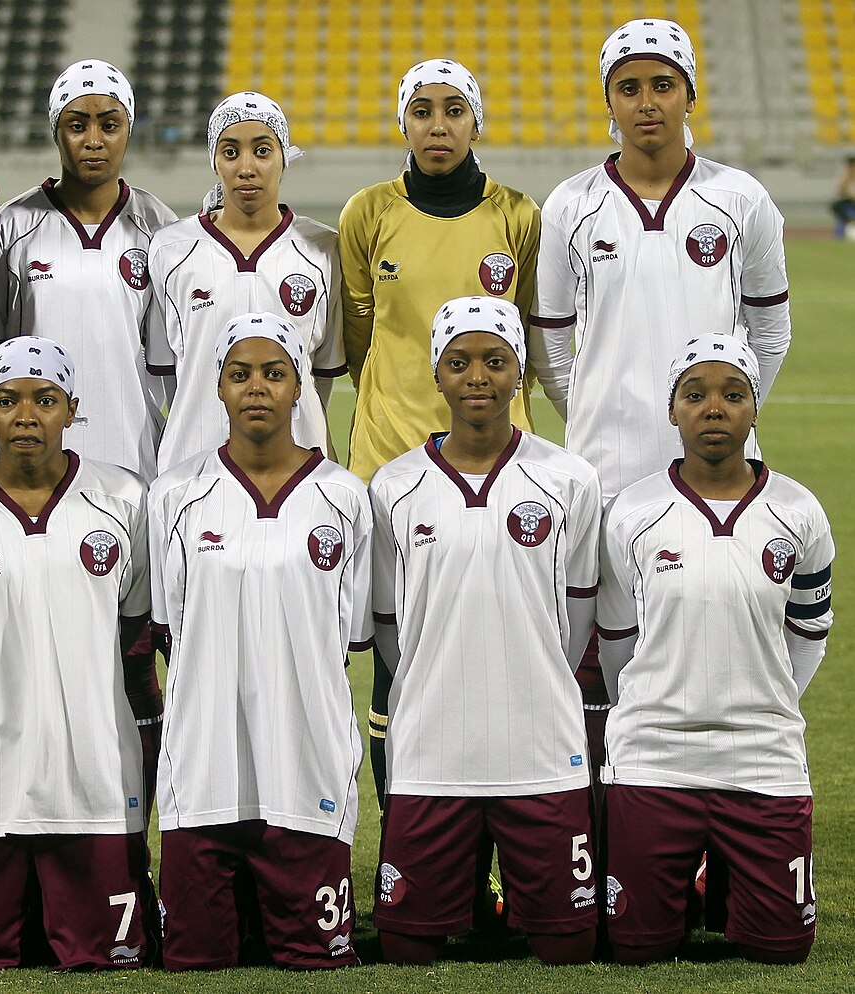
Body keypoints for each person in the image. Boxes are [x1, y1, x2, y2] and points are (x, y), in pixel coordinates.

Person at [529, 18, 793, 798]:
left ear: (690, 94)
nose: (647, 103)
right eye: (629, 87)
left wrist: (724, 425)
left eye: (663, 85)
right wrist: (600, 409)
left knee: (714, 659)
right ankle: (611, 843)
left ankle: (707, 851)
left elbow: (770, 332)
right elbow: (549, 338)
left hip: (715, 481)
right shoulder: (571, 205)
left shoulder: (740, 199)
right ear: (609, 101)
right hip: (603, 478)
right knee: (603, 668)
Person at [0, 338, 159, 971]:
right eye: (7, 400)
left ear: (71, 408)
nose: (26, 416)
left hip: (93, 768)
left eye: (45, 400)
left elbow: (135, 623)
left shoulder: (122, 498)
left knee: (110, 953)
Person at [370, 297, 601, 966]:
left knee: (570, 945)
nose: (478, 377)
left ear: (520, 374)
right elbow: (391, 627)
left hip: (540, 748)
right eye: (461, 362)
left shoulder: (569, 479)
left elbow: (576, 616)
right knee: (405, 945)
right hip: (432, 750)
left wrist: (533, 671)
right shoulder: (395, 486)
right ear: (437, 374)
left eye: (495, 362)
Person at [338, 59, 541, 806]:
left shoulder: (518, 216)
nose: (437, 124)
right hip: (391, 469)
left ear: (476, 122)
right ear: (403, 123)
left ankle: (499, 854)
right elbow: (358, 336)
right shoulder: (369, 212)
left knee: (498, 650)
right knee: (397, 659)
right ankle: (407, 857)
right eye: (421, 110)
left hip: (498, 472)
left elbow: (534, 343)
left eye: (453, 109)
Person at [597, 335, 833, 965]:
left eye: (733, 395)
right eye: (695, 395)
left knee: (782, 948)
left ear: (754, 408)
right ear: (671, 410)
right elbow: (618, 636)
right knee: (637, 947)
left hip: (763, 756)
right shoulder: (633, 513)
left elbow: (808, 633)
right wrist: (652, 702)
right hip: (654, 755)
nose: (714, 408)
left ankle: (718, 878)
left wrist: (765, 696)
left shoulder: (798, 512)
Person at [148, 312, 371, 971]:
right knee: (196, 958)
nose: (256, 388)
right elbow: (170, 623)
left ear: (299, 386)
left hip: (306, 767)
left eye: (275, 374)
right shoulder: (176, 495)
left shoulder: (344, 495)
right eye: (239, 374)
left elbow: (352, 632)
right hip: (204, 769)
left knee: (315, 959)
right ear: (216, 387)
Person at [0, 58, 176, 809]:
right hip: (36, 487)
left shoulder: (161, 228)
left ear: (128, 128)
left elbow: (176, 364)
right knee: (38, 666)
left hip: (137, 477)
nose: (93, 140)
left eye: (109, 123)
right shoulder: (13, 226)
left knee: (136, 669)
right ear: (56, 130)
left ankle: (139, 843)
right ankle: (37, 826)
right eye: (77, 124)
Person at [146, 92, 346, 473]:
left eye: (263, 150)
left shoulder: (323, 249)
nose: (247, 167)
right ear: (214, 161)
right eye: (231, 152)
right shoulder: (171, 249)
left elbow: (320, 376)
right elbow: (167, 373)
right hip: (193, 468)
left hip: (299, 471)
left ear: (284, 157)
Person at [829, 155, 855, 237]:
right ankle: (849, 222)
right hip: (849, 201)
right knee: (835, 206)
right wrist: (848, 178)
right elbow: (840, 192)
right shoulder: (845, 177)